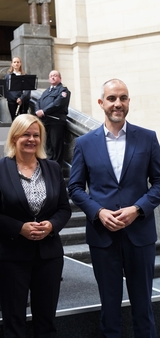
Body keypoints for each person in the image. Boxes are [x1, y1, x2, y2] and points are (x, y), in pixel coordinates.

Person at [68, 78, 160, 338]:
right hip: (103, 237)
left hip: (139, 234)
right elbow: (74, 187)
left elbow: (159, 183)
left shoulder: (148, 138)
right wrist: (98, 212)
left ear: (129, 101)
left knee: (143, 308)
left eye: (123, 98)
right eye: (111, 98)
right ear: (101, 103)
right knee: (109, 308)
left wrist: (138, 208)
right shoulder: (85, 143)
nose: (117, 103)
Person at [0, 114, 71, 338]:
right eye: (26, 134)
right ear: (14, 137)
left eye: (36, 135)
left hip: (49, 256)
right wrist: (19, 228)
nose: (31, 139)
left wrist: (52, 225)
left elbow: (64, 208)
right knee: (14, 321)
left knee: (46, 321)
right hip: (12, 256)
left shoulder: (52, 168)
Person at [35, 70, 70, 166]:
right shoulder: (46, 91)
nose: (53, 77)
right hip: (45, 122)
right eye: (51, 76)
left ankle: (57, 169)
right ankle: (49, 167)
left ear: (60, 78)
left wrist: (43, 111)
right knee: (47, 146)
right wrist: (37, 110)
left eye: (55, 76)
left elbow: (57, 103)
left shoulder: (63, 91)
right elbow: (38, 102)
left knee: (56, 146)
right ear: (48, 79)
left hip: (56, 122)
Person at [5, 56, 31, 121]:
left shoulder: (25, 75)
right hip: (12, 101)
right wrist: (16, 98)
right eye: (14, 62)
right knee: (14, 119)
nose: (16, 64)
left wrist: (21, 98)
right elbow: (7, 89)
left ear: (20, 63)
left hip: (23, 101)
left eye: (18, 62)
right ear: (12, 64)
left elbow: (28, 89)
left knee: (24, 120)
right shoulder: (8, 76)